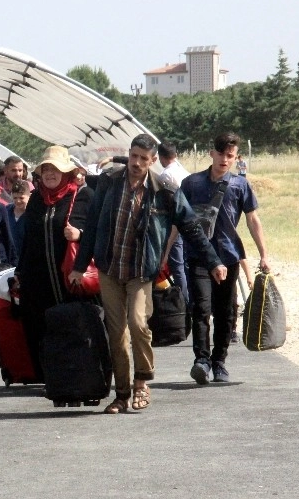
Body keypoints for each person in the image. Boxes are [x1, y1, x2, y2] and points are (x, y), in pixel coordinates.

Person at [71, 134, 226, 414]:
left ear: (153, 160)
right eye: (134, 156)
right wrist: (79, 267)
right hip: (110, 268)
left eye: (144, 158)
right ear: (128, 155)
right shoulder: (109, 183)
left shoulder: (164, 190)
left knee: (138, 323)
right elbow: (92, 225)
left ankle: (142, 381)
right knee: (116, 333)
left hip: (141, 271)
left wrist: (213, 261)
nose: (137, 163)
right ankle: (121, 394)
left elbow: (191, 227)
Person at [181, 132, 269, 385]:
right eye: (221, 154)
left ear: (235, 157)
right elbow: (179, 222)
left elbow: (253, 220)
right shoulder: (192, 183)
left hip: (229, 255)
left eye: (230, 155)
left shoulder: (240, 185)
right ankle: (201, 360)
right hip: (198, 256)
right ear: (211, 153)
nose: (224, 159)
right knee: (200, 308)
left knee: (225, 312)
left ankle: (219, 361)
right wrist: (165, 253)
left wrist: (263, 254)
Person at [11, 147, 92, 382]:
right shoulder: (37, 198)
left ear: (66, 172)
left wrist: (80, 233)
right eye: (46, 169)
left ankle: (77, 374)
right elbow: (28, 237)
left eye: (55, 169)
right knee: (38, 326)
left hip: (71, 278)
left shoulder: (82, 196)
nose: (50, 173)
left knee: (73, 325)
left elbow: (98, 232)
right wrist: (20, 271)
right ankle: (49, 376)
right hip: (38, 279)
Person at [157, 141, 191, 303]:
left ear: (160, 157)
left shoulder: (165, 176)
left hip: (175, 224)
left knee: (177, 266)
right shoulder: (183, 171)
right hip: (189, 221)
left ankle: (183, 301)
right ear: (175, 155)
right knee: (185, 264)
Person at [6, 179, 30, 259]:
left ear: (29, 196)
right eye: (15, 198)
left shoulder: (33, 215)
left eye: (21, 198)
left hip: (26, 259)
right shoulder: (6, 211)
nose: (18, 201)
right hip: (8, 259)